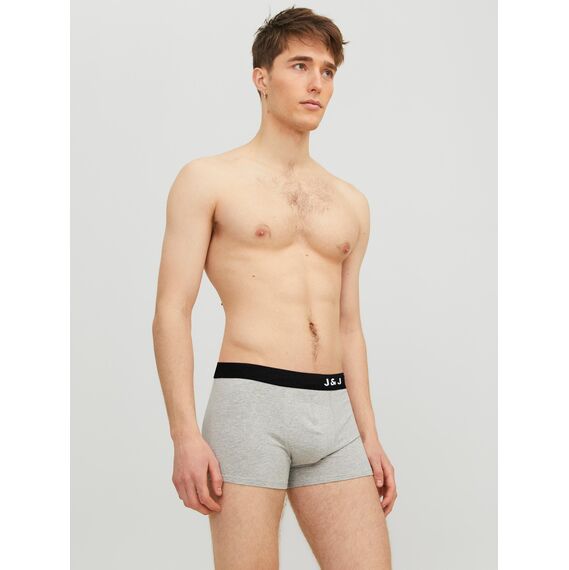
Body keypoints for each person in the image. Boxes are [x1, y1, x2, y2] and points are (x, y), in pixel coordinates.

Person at [152, 6, 396, 569]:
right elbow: (171, 310)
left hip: (334, 413)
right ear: (261, 77)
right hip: (250, 406)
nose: (317, 83)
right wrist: (184, 435)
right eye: (300, 65)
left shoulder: (351, 202)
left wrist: (370, 436)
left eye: (328, 71)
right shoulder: (208, 179)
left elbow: (349, 327)